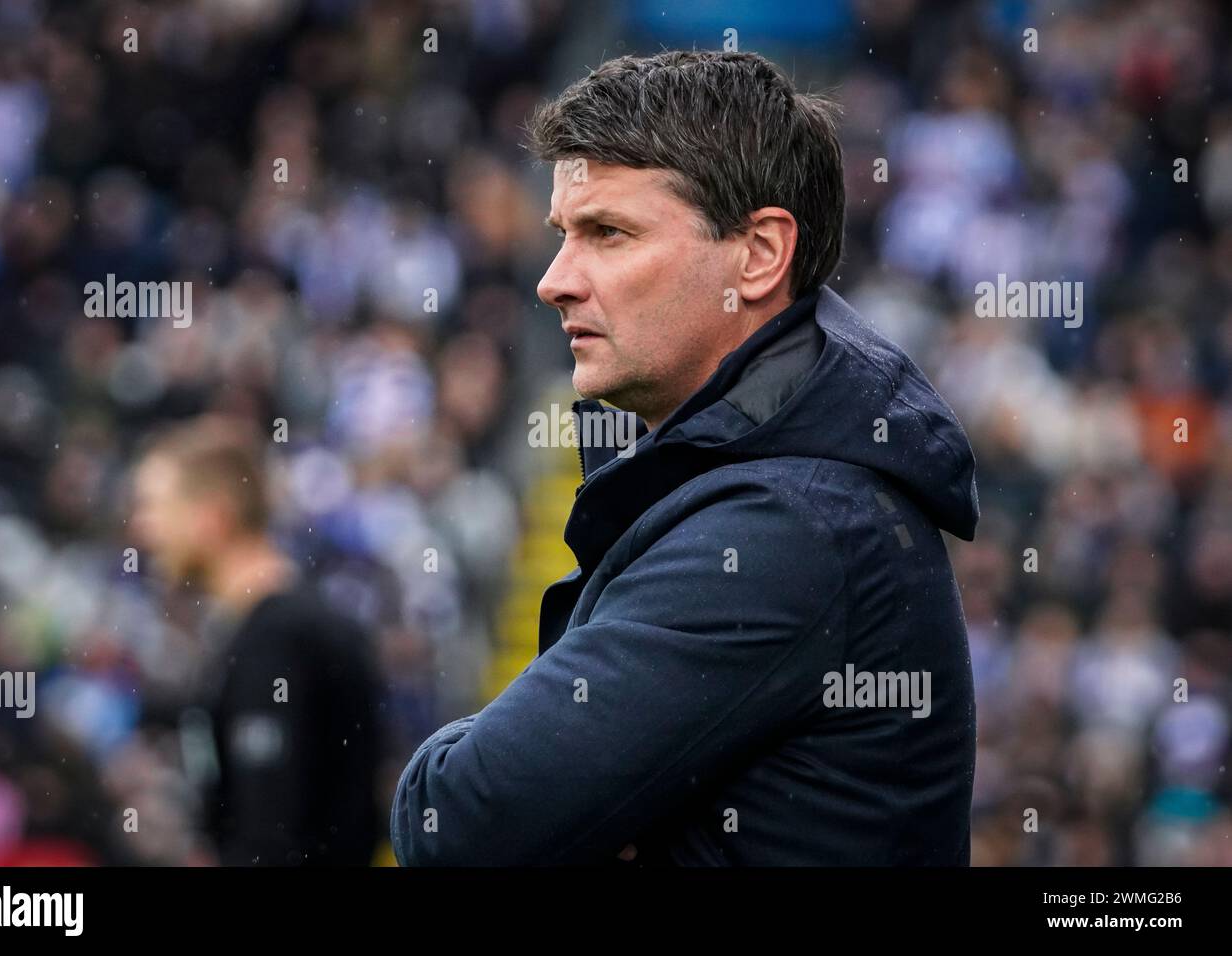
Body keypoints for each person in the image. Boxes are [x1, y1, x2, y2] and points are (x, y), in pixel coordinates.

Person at [391, 50, 980, 866]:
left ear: (760, 255)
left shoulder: (786, 528)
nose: (553, 280)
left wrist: (493, 761)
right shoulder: (771, 486)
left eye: (609, 233)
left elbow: (455, 823)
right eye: (563, 235)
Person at [131, 417, 383, 865]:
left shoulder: (280, 640)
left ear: (212, 516)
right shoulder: (267, 629)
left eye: (154, 506)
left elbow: (269, 843)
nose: (142, 530)